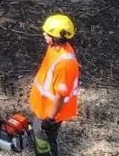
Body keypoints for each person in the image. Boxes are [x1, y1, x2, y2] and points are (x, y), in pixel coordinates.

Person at [27, 13, 80, 155]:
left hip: (51, 112)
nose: (44, 33)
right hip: (43, 107)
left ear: (56, 37)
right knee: (38, 134)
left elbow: (60, 96)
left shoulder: (65, 63)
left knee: (45, 140)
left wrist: (49, 119)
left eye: (48, 32)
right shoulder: (54, 47)